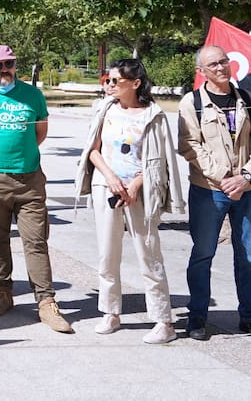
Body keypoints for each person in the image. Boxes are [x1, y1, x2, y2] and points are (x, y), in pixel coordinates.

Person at [0, 45, 71, 333]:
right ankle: (3, 292)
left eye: (9, 63)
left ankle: (46, 301)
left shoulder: (32, 95)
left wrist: (20, 153)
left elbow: (40, 132)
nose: (5, 69)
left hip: (29, 178)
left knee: (35, 240)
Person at [75, 58, 186, 344]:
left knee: (149, 253)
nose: (109, 85)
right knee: (107, 253)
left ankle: (163, 320)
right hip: (107, 187)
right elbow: (93, 150)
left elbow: (158, 161)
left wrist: (136, 184)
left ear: (135, 83)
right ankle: (110, 312)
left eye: (115, 81)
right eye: (107, 80)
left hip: (141, 191)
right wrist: (111, 178)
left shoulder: (154, 115)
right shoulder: (104, 109)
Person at [178, 46, 251, 343]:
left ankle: (250, 317)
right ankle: (197, 317)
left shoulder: (248, 100)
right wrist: (224, 177)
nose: (220, 67)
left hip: (246, 189)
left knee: (248, 256)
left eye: (223, 61)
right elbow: (189, 146)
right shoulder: (191, 103)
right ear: (202, 71)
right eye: (213, 64)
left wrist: (245, 176)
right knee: (203, 253)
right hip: (210, 190)